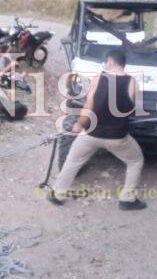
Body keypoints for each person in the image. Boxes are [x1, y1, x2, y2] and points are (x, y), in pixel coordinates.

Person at [48, 49, 147, 211]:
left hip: (91, 134)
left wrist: (79, 124)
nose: (105, 65)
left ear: (110, 61)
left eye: (105, 62)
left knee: (72, 160)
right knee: (136, 161)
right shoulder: (132, 82)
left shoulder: (98, 78)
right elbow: (131, 109)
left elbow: (89, 106)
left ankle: (57, 194)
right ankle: (127, 199)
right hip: (117, 137)